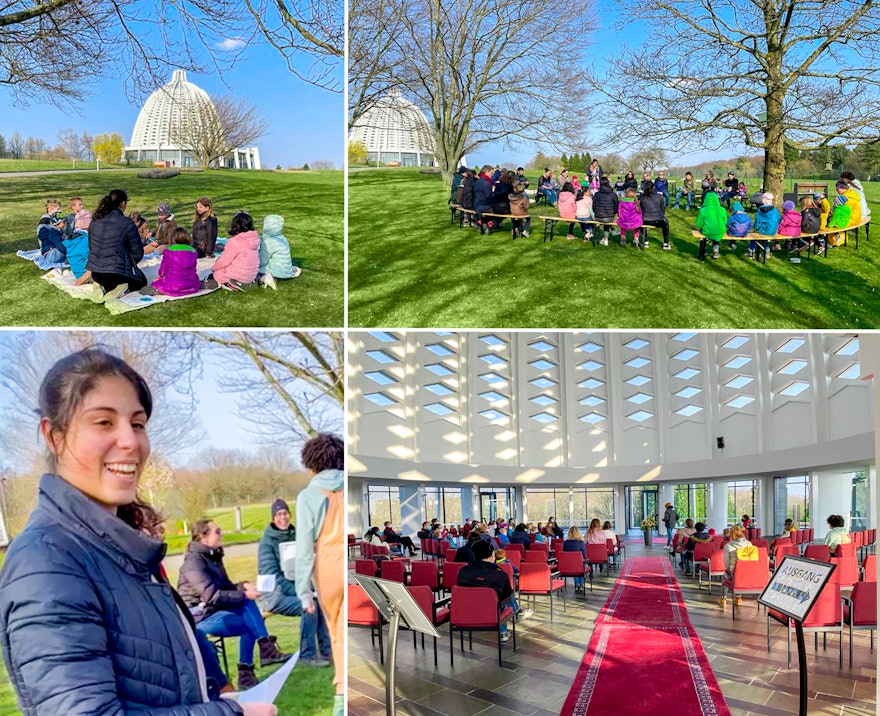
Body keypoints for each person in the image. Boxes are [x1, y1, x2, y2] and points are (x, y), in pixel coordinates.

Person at [0, 348, 275, 715]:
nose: (130, 441)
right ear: (54, 437)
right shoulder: (47, 561)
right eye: (103, 423)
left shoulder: (123, 553)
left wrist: (219, 698)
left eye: (138, 423)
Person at [178, 519, 293, 690]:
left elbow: (226, 587)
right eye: (217, 531)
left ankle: (257, 659)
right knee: (250, 618)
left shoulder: (212, 556)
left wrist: (243, 586)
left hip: (212, 610)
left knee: (249, 613)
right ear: (203, 537)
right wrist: (243, 594)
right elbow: (212, 596)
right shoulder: (194, 562)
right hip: (198, 617)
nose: (221, 534)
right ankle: (258, 658)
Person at [294, 433, 345, 716]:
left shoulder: (309, 496)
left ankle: (340, 700)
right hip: (346, 562)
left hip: (326, 566)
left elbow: (303, 548)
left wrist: (303, 590)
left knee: (336, 634)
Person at [257, 499, 332, 668]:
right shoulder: (267, 543)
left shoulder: (297, 535)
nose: (282, 517)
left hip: (295, 589)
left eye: (285, 513)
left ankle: (327, 651)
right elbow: (274, 576)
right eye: (278, 514)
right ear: (273, 518)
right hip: (274, 594)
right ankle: (307, 655)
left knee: (319, 602)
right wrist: (302, 593)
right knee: (308, 607)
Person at [86, 188, 148, 297]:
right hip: (117, 273)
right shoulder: (127, 223)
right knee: (141, 282)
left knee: (109, 276)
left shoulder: (95, 221)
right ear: (122, 204)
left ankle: (100, 285)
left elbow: (92, 247)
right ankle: (121, 288)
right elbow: (137, 252)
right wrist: (129, 262)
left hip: (96, 272)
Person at [457, 539, 515, 641]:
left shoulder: (463, 571)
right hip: (491, 614)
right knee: (503, 599)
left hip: (466, 613)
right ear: (492, 555)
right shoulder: (500, 574)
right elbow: (507, 595)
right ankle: (503, 632)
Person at [141, 227, 210, 297]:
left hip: (174, 285)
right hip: (191, 284)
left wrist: (160, 277)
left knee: (160, 283)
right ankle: (200, 284)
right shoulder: (193, 251)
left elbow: (163, 269)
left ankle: (158, 290)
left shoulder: (169, 251)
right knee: (194, 281)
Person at [209, 211, 261, 291]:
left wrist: (214, 267)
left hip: (239, 275)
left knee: (214, 275)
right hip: (252, 275)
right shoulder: (255, 239)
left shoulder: (235, 241)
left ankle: (233, 284)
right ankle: (246, 282)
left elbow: (224, 261)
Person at [258, 214, 301, 289]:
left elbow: (262, 260)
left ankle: (268, 278)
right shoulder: (281, 238)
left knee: (253, 271)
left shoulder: (270, 242)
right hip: (285, 270)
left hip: (278, 272)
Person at [718, 525, 755, 607]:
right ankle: (738, 598)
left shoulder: (728, 546)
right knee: (741, 573)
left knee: (725, 575)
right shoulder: (749, 544)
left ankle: (723, 599)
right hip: (750, 573)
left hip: (735, 574)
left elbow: (726, 563)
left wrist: (728, 569)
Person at [696, 190, 727, 259]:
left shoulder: (703, 210)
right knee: (716, 235)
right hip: (720, 230)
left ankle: (704, 249)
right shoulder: (722, 209)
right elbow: (725, 222)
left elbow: (699, 224)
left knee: (704, 233)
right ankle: (716, 249)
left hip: (707, 231)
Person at [639, 179, 670, 249]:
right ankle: (666, 243)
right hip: (658, 220)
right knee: (666, 222)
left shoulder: (641, 197)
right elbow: (663, 210)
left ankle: (645, 241)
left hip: (645, 220)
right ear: (653, 187)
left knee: (639, 221)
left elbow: (639, 209)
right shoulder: (659, 196)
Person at [592, 176, 619, 246]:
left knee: (600, 221)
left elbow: (593, 206)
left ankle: (599, 236)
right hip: (609, 217)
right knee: (607, 221)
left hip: (598, 216)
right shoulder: (613, 194)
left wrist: (596, 212)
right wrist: (613, 213)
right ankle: (606, 239)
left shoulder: (596, 194)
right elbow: (616, 206)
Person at [753, 193, 781, 259]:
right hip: (774, 230)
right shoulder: (775, 210)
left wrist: (756, 228)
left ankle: (751, 251)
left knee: (753, 236)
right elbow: (778, 219)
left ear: (765, 200)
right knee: (765, 234)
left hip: (764, 230)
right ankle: (767, 251)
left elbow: (757, 221)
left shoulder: (760, 210)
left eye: (762, 198)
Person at [474, 165, 496, 233]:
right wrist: (494, 193)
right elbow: (489, 197)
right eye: (491, 173)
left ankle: (483, 223)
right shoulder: (486, 183)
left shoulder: (477, 181)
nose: (492, 175)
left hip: (476, 205)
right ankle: (490, 224)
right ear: (487, 172)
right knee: (500, 210)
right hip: (484, 206)